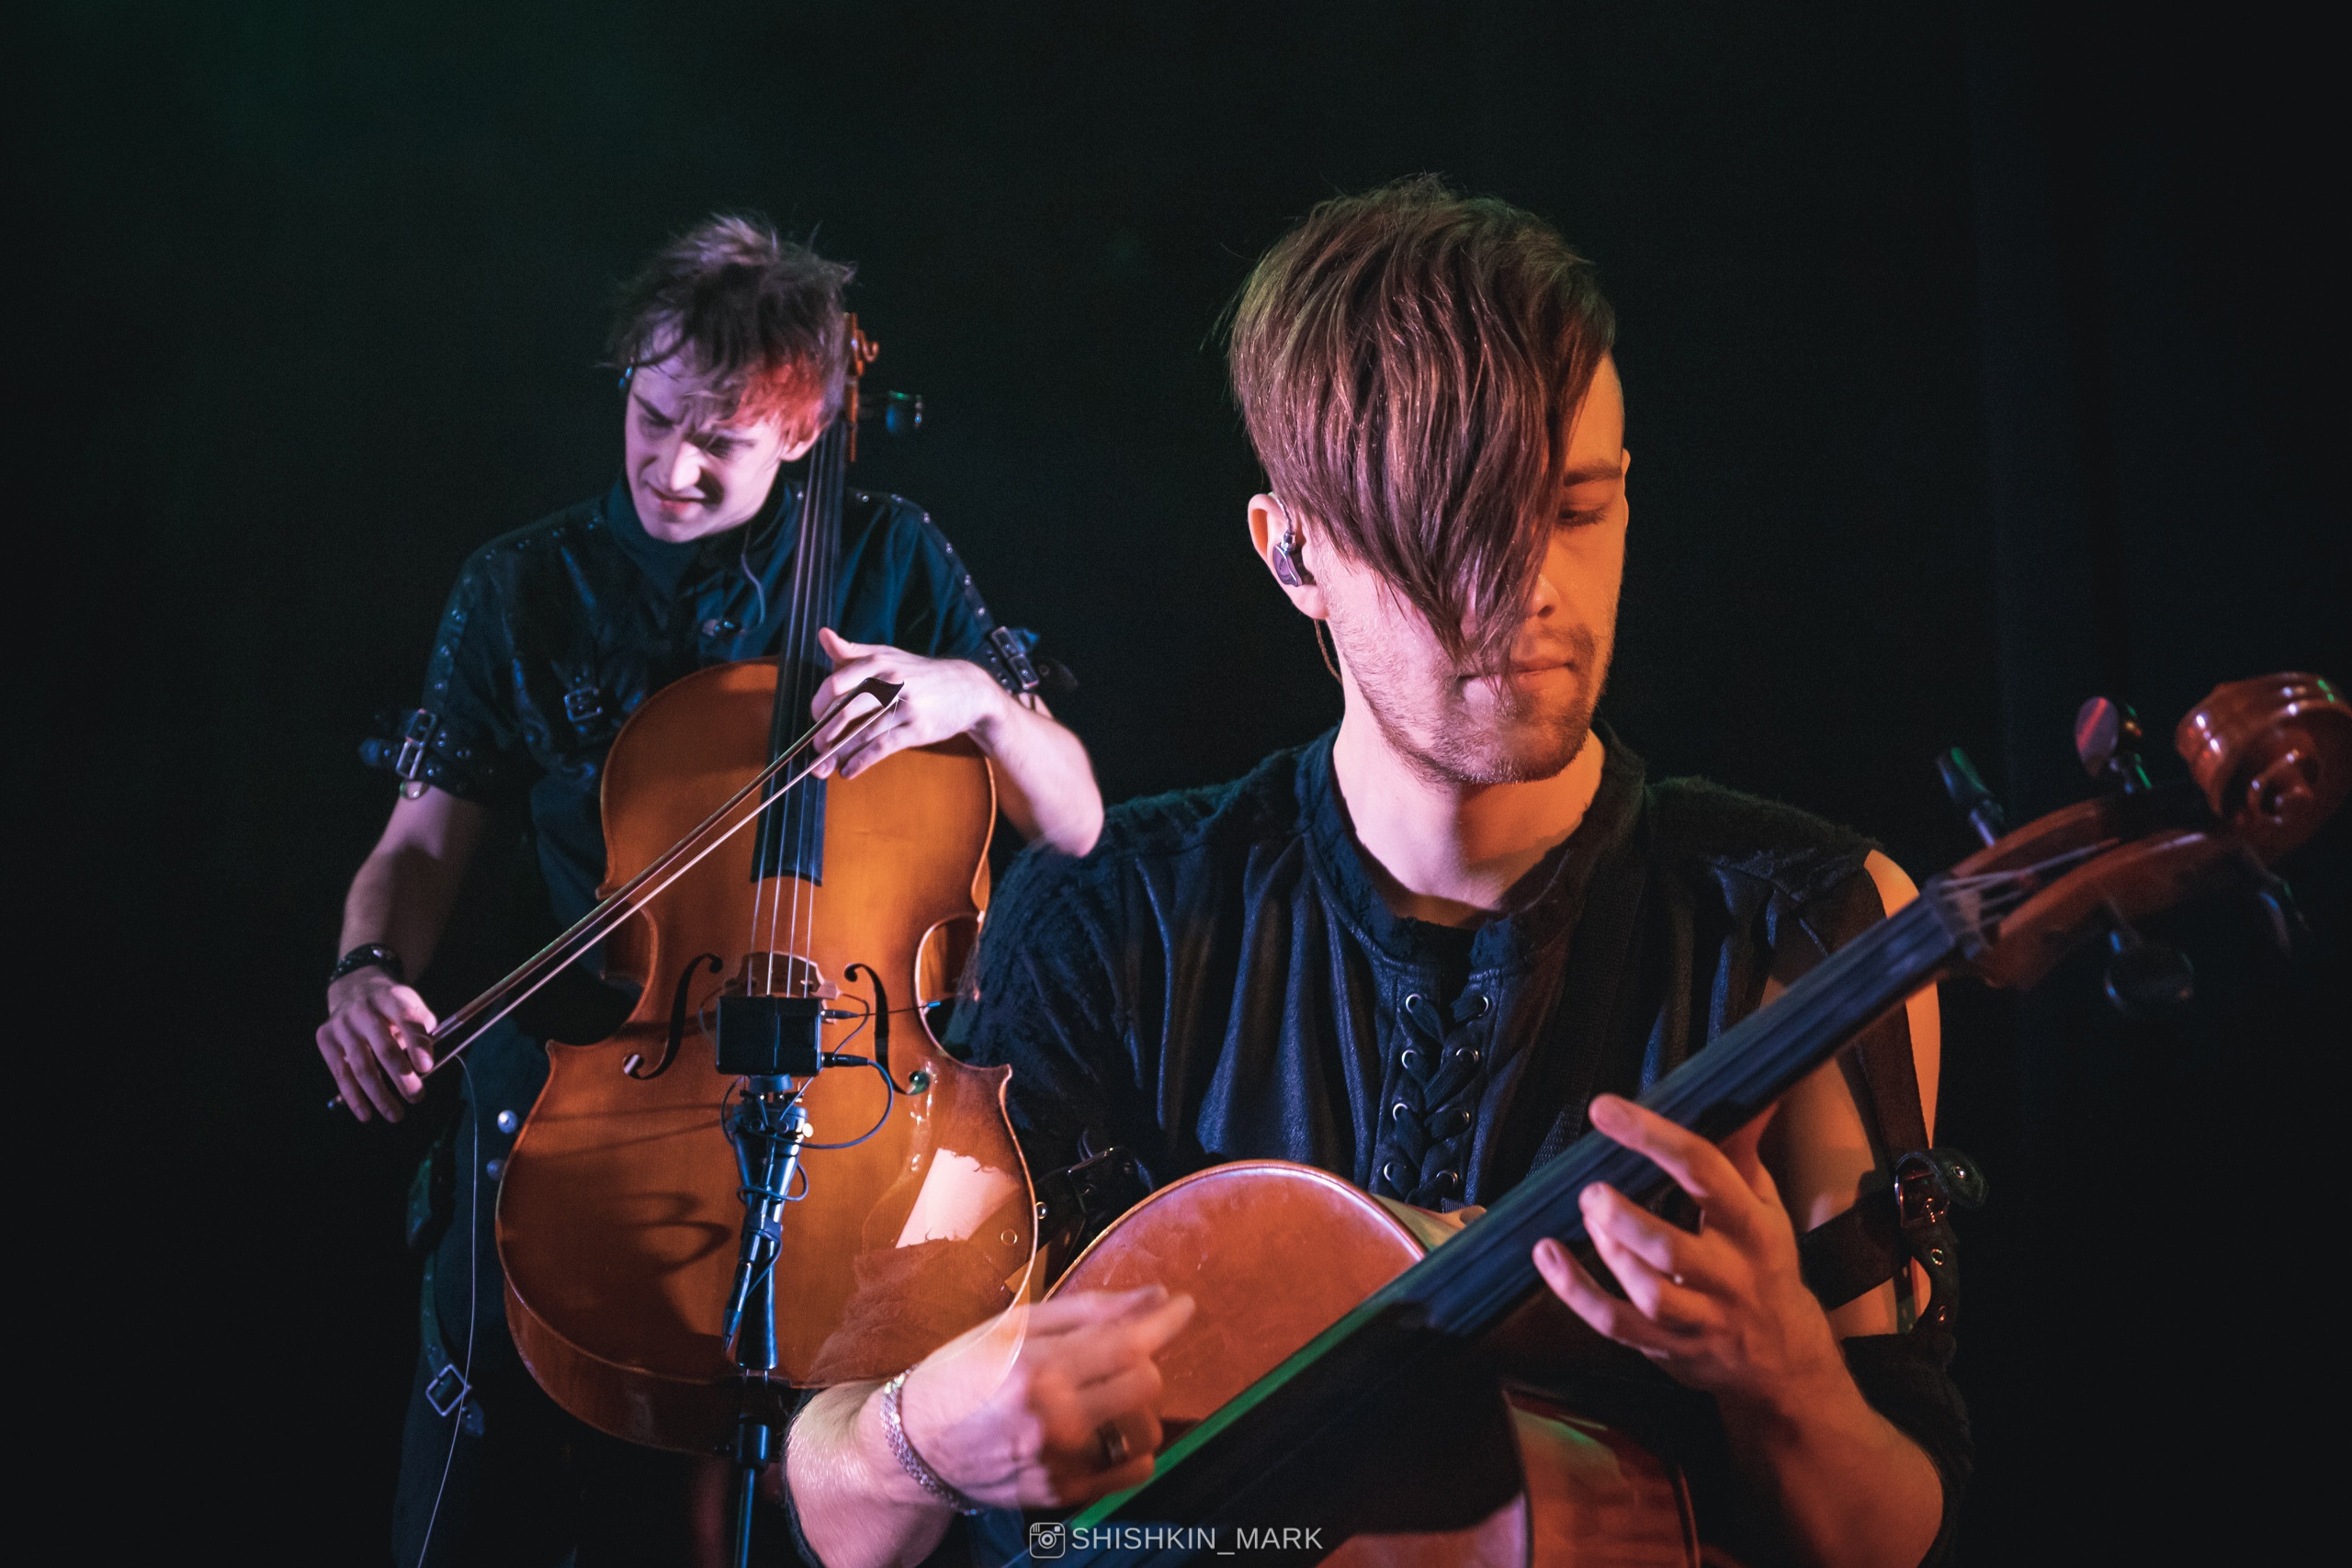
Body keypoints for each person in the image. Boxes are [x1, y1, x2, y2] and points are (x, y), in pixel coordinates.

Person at [783, 180, 1970, 1568]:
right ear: (1293, 554)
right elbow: (837, 1500)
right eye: (1450, 535)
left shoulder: (1805, 926)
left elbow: (1892, 1535)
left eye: (1580, 509)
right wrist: (920, 1434)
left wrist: (1788, 1381)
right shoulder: (1111, 919)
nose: (1532, 585)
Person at [314, 215, 1104, 1567]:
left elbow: (1077, 819)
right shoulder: (525, 589)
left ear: (803, 434)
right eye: (655, 414)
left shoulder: (892, 555)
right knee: (475, 1451)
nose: (672, 466)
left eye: (720, 442)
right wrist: (365, 971)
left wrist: (968, 696)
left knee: (940, 1456)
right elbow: (422, 847)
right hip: (601, 1070)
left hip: (867, 1089)